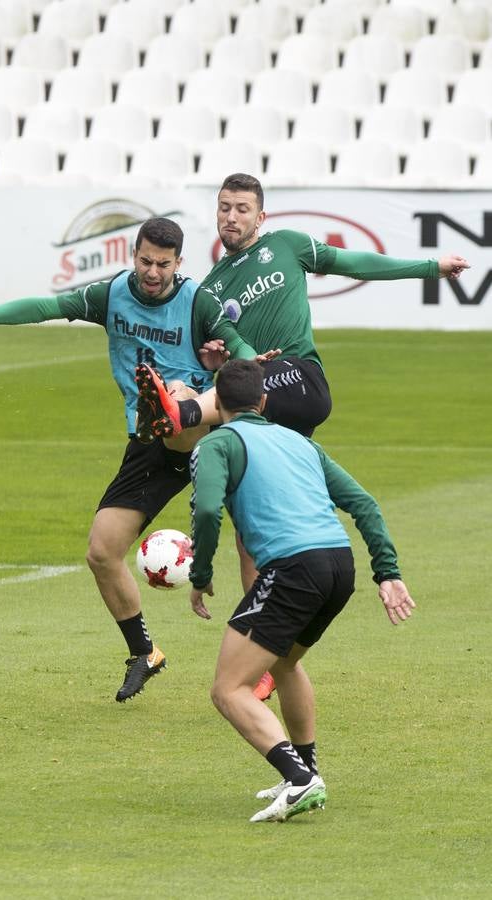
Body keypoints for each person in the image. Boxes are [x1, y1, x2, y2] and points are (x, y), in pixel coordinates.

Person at [135, 171, 465, 699]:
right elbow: (217, 357)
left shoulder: (285, 246)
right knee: (249, 534)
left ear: (261, 216)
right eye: (224, 207)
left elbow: (353, 261)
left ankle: (181, 418)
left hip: (298, 379)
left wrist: (428, 266)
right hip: (256, 410)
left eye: (243, 208)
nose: (232, 216)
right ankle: (264, 650)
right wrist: (212, 358)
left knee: (193, 407)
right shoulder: (212, 286)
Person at [0, 217, 267, 703]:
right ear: (133, 255)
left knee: (250, 539)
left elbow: (236, 346)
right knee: (102, 551)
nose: (153, 272)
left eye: (163, 264)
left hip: (204, 430)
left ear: (180, 263)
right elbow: (50, 305)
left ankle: (173, 405)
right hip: (147, 441)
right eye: (145, 261)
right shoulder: (111, 295)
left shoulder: (197, 300)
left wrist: (251, 362)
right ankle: (145, 653)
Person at [187, 358, 416, 822]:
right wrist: (387, 572)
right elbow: (364, 505)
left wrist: (201, 573)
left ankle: (300, 780)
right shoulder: (298, 441)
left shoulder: (215, 444)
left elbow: (209, 509)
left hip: (292, 569)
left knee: (230, 689)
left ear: (216, 401)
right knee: (286, 662)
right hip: (339, 565)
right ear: (265, 400)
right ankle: (305, 768)